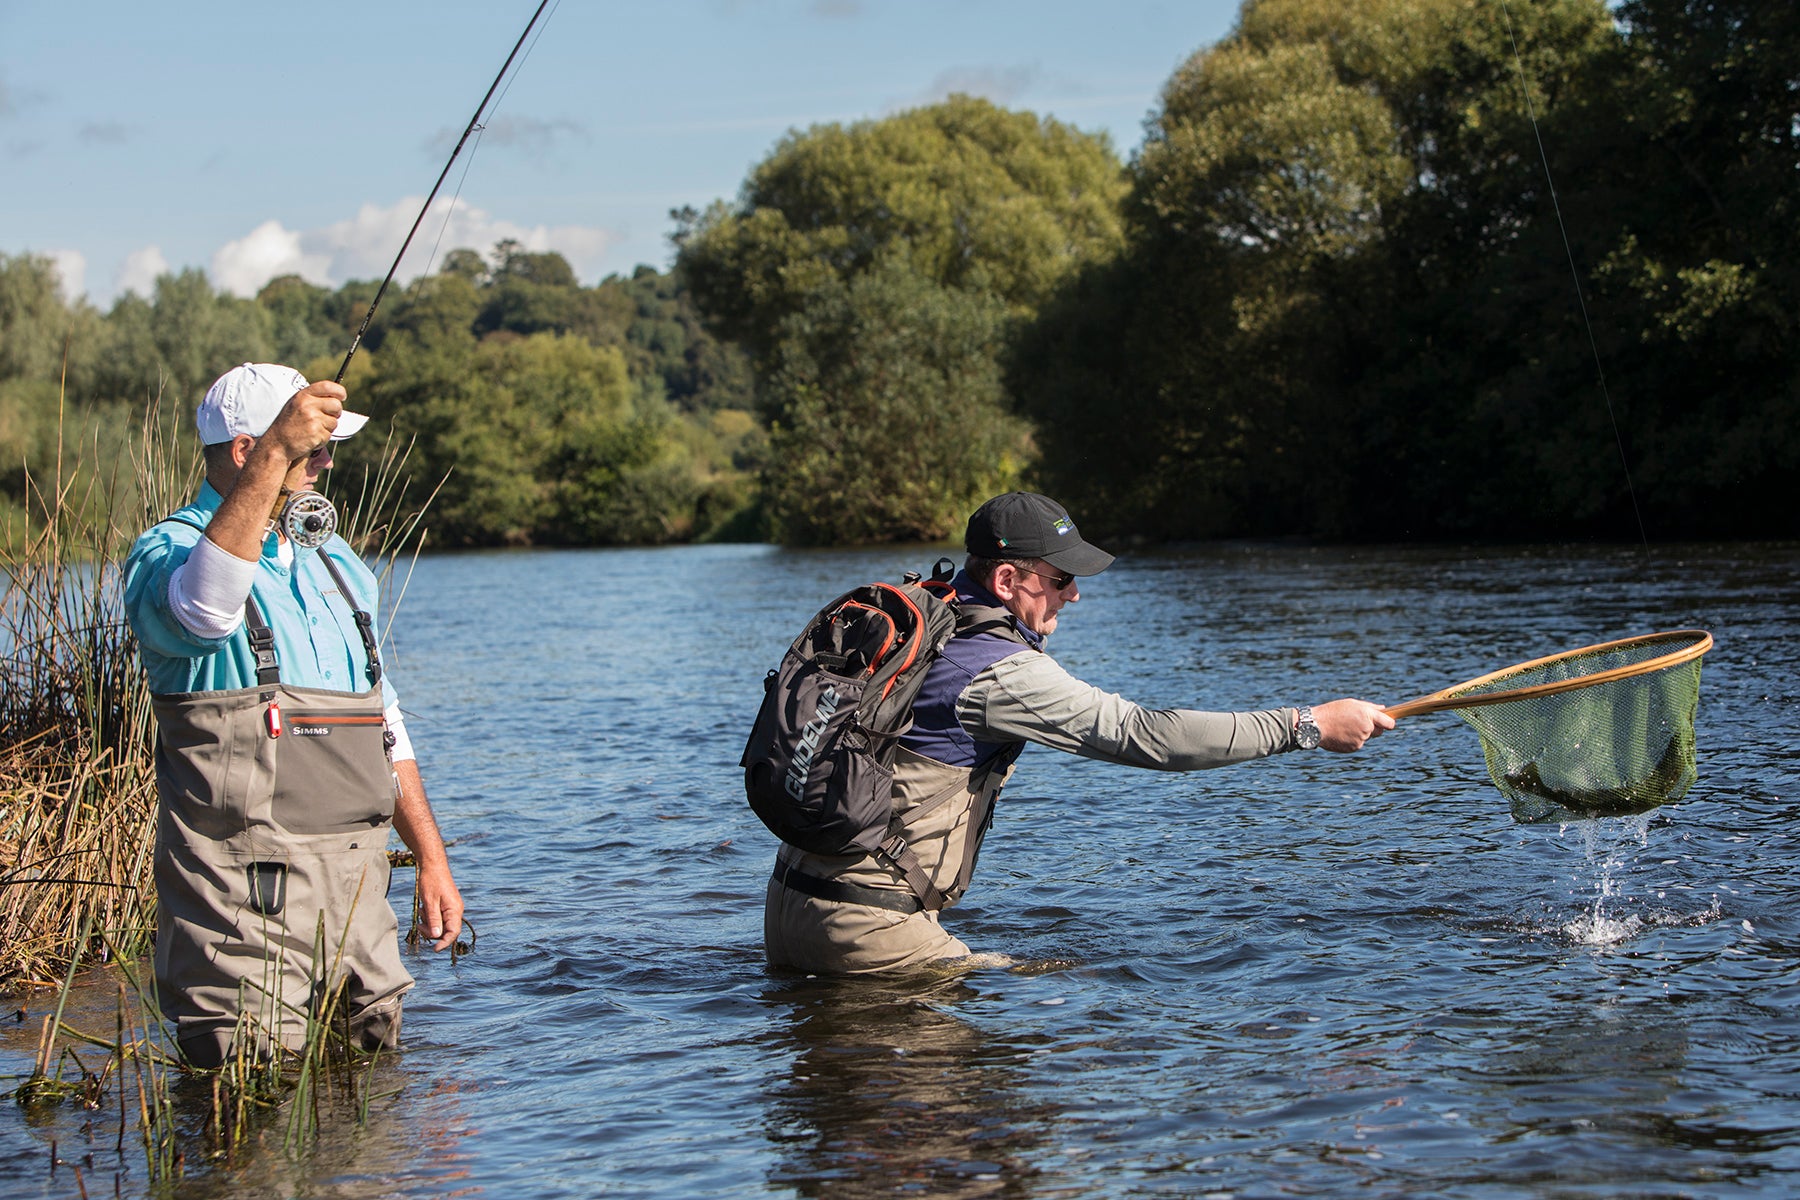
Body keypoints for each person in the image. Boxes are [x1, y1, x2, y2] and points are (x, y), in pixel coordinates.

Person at [764, 491, 1395, 975]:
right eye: (1061, 579)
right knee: (1057, 1009)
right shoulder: (998, 672)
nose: (1073, 596)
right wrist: (1307, 726)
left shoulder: (928, 617)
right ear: (1008, 580)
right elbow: (1151, 736)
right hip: (868, 930)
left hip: (790, 909)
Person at [124, 362, 463, 1067]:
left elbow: (385, 721)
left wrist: (431, 856)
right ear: (250, 450)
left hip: (356, 898)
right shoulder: (170, 552)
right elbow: (205, 613)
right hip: (239, 906)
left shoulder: (338, 562)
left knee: (369, 1111)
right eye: (312, 447)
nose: (328, 462)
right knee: (249, 1117)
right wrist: (279, 451)